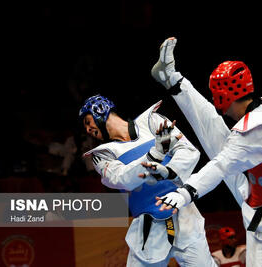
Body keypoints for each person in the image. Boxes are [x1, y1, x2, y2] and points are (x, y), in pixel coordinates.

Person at [151, 37, 262, 266]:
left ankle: (172, 80)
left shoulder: (248, 134)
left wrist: (184, 193)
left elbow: (218, 167)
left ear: (222, 96)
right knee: (216, 133)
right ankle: (172, 80)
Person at [79, 95, 216, 266]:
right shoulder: (102, 154)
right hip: (147, 226)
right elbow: (121, 178)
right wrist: (154, 154)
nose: (87, 129)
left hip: (184, 215)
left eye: (87, 121)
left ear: (99, 110)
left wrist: (169, 171)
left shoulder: (151, 120)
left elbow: (189, 151)